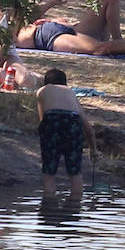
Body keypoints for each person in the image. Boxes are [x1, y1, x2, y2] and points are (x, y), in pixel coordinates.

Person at [36, 68, 98, 201]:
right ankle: (74, 208)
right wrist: (93, 149)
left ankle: (48, 207)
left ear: (46, 82)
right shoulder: (70, 92)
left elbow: (42, 121)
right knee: (75, 172)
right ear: (65, 83)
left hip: (51, 122)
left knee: (49, 172)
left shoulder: (42, 91)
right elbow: (87, 127)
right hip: (73, 122)